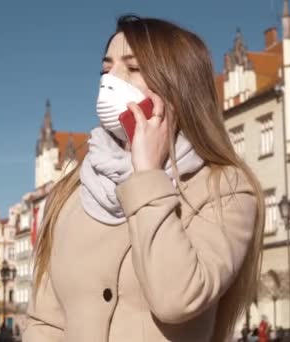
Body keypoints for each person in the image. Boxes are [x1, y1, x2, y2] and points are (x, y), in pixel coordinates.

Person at [23, 15, 264, 342]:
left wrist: (148, 175)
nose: (110, 80)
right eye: (105, 69)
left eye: (132, 69)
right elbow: (45, 322)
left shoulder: (225, 188)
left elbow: (177, 299)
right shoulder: (73, 191)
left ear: (177, 84)